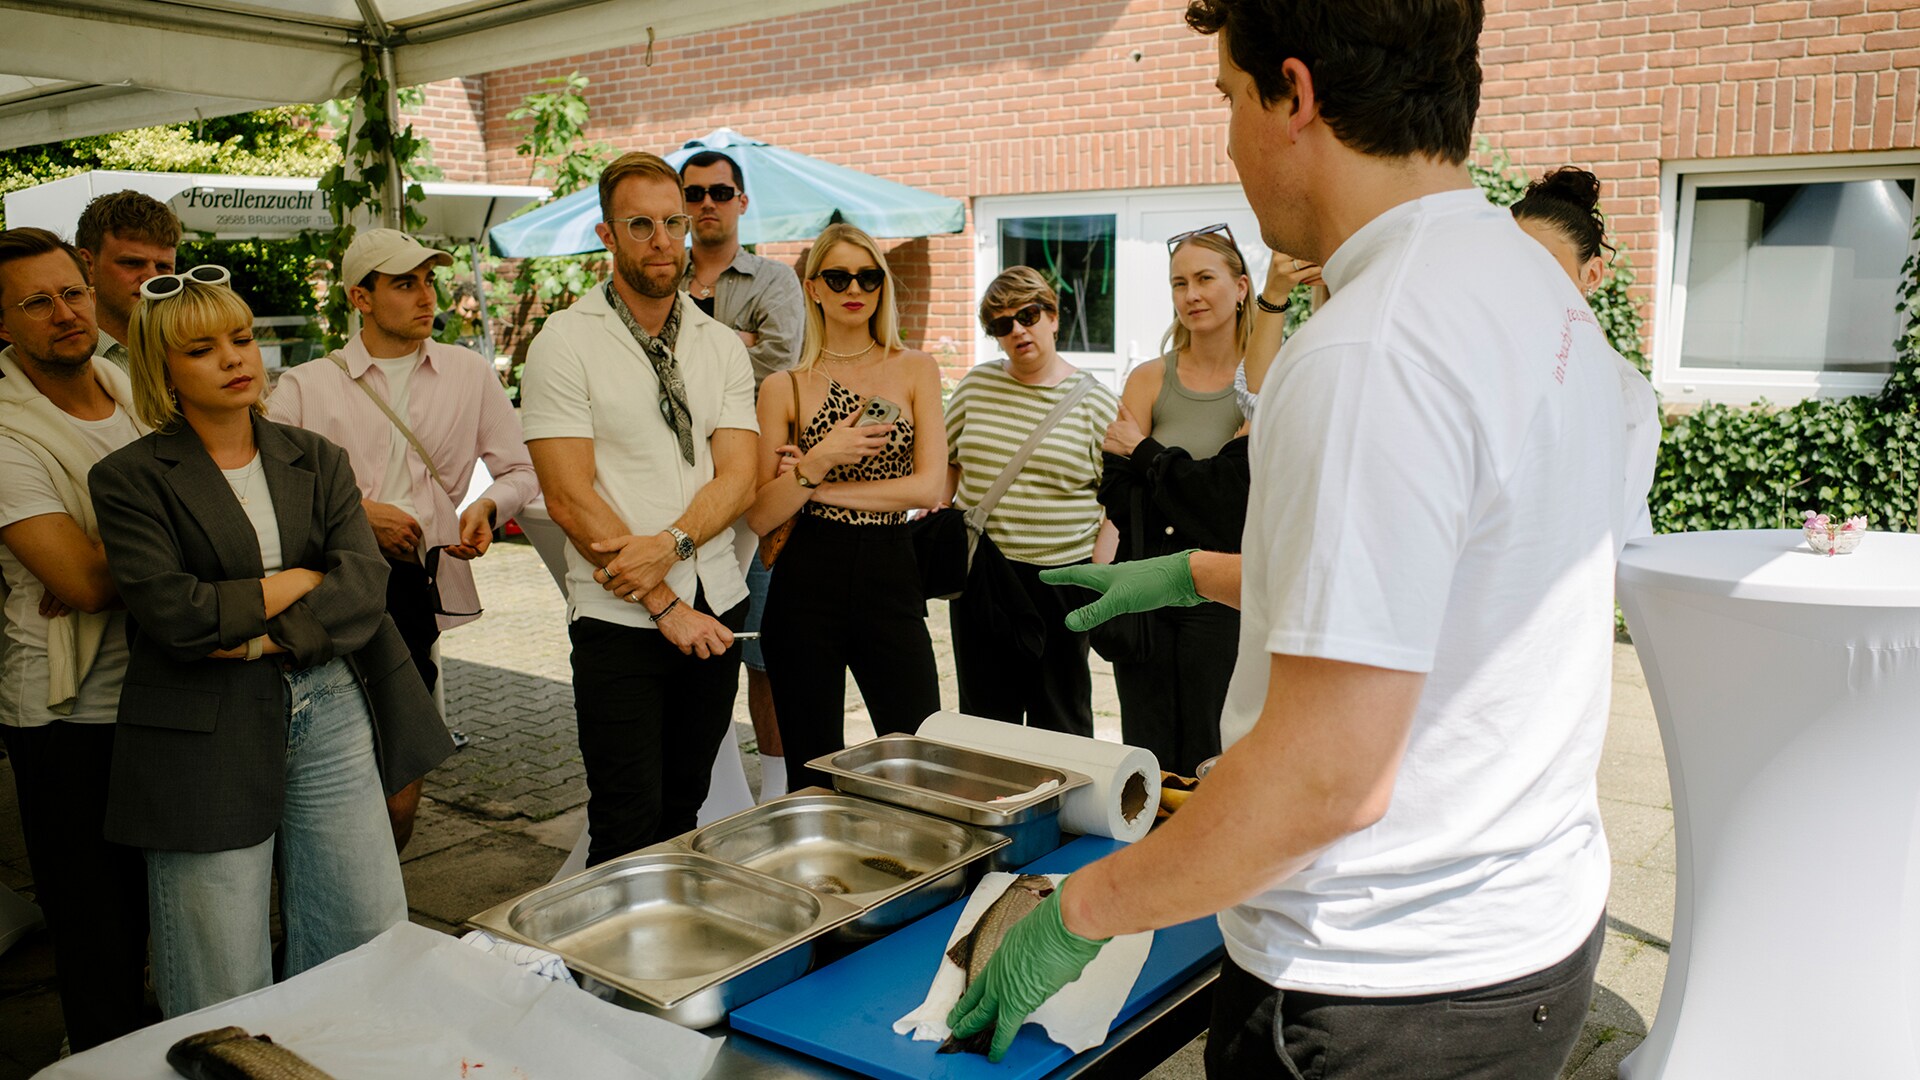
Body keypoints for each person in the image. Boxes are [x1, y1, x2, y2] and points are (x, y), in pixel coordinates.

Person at [950, 2, 1659, 1075]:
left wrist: (1079, 914)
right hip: (1527, 935)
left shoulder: (1368, 348)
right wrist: (1195, 571)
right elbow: (1452, 588)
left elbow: (1326, 776)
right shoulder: (1534, 291)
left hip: (1378, 986)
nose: (1228, 137)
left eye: (1230, 97)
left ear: (1297, 94)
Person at [88, 268, 453, 1017]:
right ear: (162, 369)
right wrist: (295, 580)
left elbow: (360, 590)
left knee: (361, 923)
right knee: (217, 955)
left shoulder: (314, 456)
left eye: (242, 338)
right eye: (202, 348)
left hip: (332, 702)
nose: (234, 358)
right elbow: (175, 615)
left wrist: (252, 634)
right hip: (200, 722)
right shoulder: (127, 478)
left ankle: (341, 1058)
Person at [267, 228, 539, 850]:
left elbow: (520, 470)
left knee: (402, 782)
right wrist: (361, 513)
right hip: (324, 590)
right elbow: (267, 493)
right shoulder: (305, 386)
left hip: (413, 590)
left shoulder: (467, 372)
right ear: (359, 298)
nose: (426, 296)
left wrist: (487, 509)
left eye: (429, 280)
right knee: (322, 775)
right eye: (404, 283)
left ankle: (381, 913)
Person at [521, 151, 757, 866]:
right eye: (642, 224)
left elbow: (739, 475)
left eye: (674, 222)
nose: (663, 240)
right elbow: (568, 495)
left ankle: (668, 970)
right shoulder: (564, 342)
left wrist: (674, 545)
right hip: (620, 619)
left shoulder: (720, 345)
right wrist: (661, 598)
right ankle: (602, 980)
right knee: (625, 821)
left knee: (684, 808)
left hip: (717, 605)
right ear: (607, 234)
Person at [0, 226, 152, 1049]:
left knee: (162, 904)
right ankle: (99, 1059)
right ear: (1, 324)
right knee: (97, 933)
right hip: (66, 717)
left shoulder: (128, 384)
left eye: (73, 291)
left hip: (162, 691)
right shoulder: (4, 429)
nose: (65, 312)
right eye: (36, 301)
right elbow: (82, 584)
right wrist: (164, 552)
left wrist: (112, 550)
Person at [743, 223, 945, 791]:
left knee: (918, 754)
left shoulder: (914, 368)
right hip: (807, 576)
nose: (853, 288)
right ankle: (821, 881)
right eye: (837, 277)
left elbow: (928, 487)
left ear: (883, 286)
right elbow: (761, 516)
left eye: (868, 276)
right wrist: (824, 455)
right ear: (813, 288)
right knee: (812, 772)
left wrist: (814, 483)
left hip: (890, 565)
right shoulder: (785, 385)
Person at [1096, 225, 1251, 776]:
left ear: (1240, 287)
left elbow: (1232, 504)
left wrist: (1148, 458)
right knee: (1147, 752)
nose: (1191, 294)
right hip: (1148, 594)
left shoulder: (1258, 381)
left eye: (1205, 278)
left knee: (1216, 748)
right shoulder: (1148, 377)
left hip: (1223, 598)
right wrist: (1181, 476)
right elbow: (1115, 490)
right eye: (1179, 283)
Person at [679, 148, 806, 800]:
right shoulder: (658, 276)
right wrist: (738, 342)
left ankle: (779, 791)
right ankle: (707, 788)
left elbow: (782, 361)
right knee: (690, 644)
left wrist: (694, 340)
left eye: (720, 193)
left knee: (762, 647)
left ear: (741, 202)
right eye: (695, 193)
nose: (707, 204)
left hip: (759, 487)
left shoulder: (774, 281)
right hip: (674, 489)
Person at [943, 267, 1119, 737]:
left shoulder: (1096, 403)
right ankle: (997, 808)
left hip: (1061, 578)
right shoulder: (975, 387)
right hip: (982, 576)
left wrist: (1098, 576)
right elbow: (945, 461)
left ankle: (1060, 810)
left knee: (1060, 717)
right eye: (1002, 324)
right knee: (985, 719)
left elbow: (1119, 501)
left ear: (1053, 317)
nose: (1018, 329)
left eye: (1028, 314)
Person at [1512, 165, 1659, 540]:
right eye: (1511, 261)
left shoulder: (1625, 396)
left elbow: (1605, 532)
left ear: (1591, 275)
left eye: (1543, 264)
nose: (1523, 280)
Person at [74, 190, 180, 369]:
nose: (152, 279)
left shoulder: (189, 349)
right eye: (132, 263)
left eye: (163, 267)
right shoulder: (62, 360)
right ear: (87, 265)